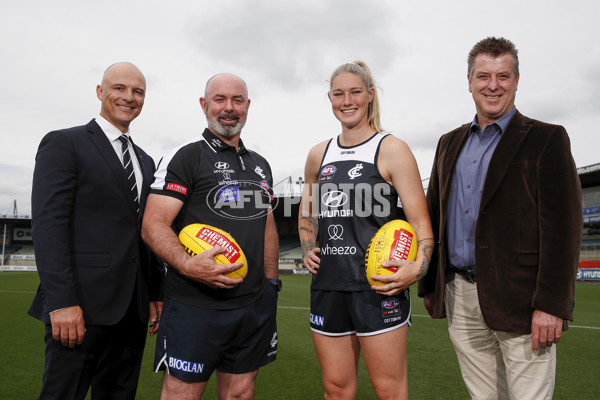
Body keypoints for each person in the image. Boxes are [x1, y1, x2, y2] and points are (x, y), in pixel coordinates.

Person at [418, 37, 583, 399]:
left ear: (517, 80)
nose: (493, 85)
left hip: (523, 302)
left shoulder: (547, 138)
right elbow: (432, 215)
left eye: (503, 75)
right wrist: (431, 284)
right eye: (483, 76)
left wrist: (551, 305)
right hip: (459, 295)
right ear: (469, 81)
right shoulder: (448, 142)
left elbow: (564, 231)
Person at [299, 61, 434, 400]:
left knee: (388, 390)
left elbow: (420, 222)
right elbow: (308, 208)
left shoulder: (392, 149)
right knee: (335, 390)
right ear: (329, 98)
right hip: (328, 286)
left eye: (356, 92)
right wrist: (306, 246)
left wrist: (419, 267)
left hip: (378, 287)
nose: (347, 101)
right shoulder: (318, 154)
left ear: (370, 96)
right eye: (338, 94)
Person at [28, 62, 163, 400]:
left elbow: (144, 231)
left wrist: (156, 291)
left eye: (137, 91)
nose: (128, 97)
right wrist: (61, 302)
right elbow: (49, 227)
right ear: (100, 92)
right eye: (119, 88)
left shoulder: (146, 161)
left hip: (131, 310)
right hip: (80, 309)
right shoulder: (64, 143)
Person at [141, 72, 280, 400]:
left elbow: (267, 226)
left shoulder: (260, 165)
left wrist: (272, 286)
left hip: (253, 305)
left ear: (248, 106)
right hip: (195, 304)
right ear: (205, 105)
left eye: (237, 100)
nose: (229, 108)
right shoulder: (186, 157)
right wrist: (188, 266)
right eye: (220, 99)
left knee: (240, 393)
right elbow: (153, 223)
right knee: (181, 395)